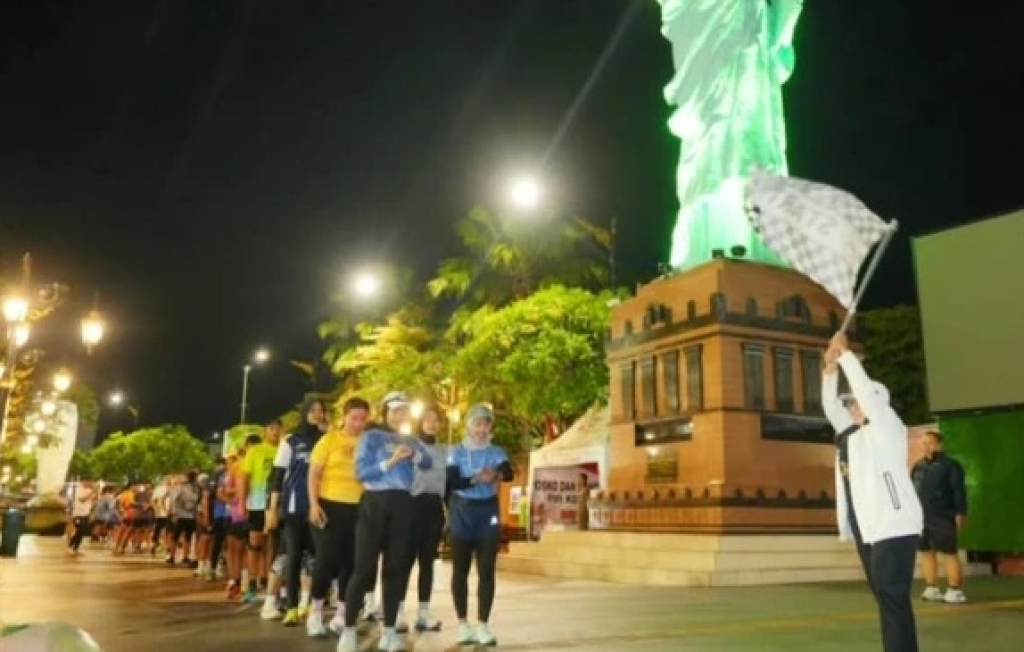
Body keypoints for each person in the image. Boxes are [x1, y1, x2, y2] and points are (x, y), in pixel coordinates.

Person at [823, 332, 923, 652]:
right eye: (850, 404)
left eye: (855, 403)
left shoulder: (889, 427)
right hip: (871, 531)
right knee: (885, 598)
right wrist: (830, 371)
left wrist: (847, 355)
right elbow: (830, 410)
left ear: (874, 402)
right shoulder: (855, 437)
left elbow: (866, 393)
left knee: (891, 598)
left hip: (895, 527)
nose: (852, 408)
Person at [337, 391, 433, 652]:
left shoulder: (410, 440)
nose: (399, 415)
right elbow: (360, 472)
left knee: (396, 568)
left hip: (403, 505)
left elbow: (428, 461)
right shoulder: (371, 437)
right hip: (375, 504)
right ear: (385, 412)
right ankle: (348, 630)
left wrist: (412, 455)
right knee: (364, 568)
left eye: (404, 411)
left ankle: (390, 631)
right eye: (395, 410)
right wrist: (389, 461)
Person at [446, 403, 514, 647]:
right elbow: (453, 481)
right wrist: (476, 478)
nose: (481, 429)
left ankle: (483, 624)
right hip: (462, 512)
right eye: (477, 423)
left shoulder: (496, 452)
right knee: (460, 571)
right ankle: (463, 624)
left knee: (487, 570)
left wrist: (495, 475)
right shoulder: (457, 451)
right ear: (468, 425)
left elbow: (508, 472)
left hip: (487, 512)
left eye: (486, 424)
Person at [305, 397, 370, 638]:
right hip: (328, 507)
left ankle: (343, 614)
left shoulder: (368, 442)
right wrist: (313, 504)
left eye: (363, 419)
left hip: (359, 509)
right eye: (354, 418)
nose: (358, 423)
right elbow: (314, 474)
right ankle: (316, 612)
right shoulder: (329, 440)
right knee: (326, 559)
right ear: (344, 417)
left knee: (351, 563)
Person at [267, 398, 327, 625]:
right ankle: (290, 607)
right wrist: (272, 509)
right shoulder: (291, 441)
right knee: (292, 556)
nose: (317, 414)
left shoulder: (327, 440)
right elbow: (278, 476)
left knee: (320, 558)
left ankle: (311, 603)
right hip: (294, 507)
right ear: (304, 412)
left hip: (320, 506)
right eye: (312, 410)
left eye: (321, 411)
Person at [398, 403, 448, 632]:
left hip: (433, 507)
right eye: (427, 418)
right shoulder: (408, 445)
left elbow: (447, 486)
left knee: (428, 562)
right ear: (420, 421)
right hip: (411, 506)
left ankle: (423, 613)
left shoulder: (444, 450)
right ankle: (397, 611)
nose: (432, 423)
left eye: (436, 419)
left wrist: (448, 512)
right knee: (405, 561)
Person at [911, 430, 968, 603]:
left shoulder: (951, 465)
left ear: (939, 445)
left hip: (943, 515)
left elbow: (959, 490)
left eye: (930, 442)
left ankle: (955, 590)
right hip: (921, 516)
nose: (926, 446)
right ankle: (931, 587)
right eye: (924, 443)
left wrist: (960, 512)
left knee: (949, 552)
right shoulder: (918, 466)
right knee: (926, 551)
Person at [238, 420, 283, 602]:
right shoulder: (255, 450)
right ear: (265, 431)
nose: (275, 432)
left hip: (277, 505)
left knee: (273, 546)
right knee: (255, 545)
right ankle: (250, 585)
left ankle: (267, 583)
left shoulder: (284, 449)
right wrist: (242, 502)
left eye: (278, 428)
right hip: (257, 503)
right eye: (271, 428)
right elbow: (244, 477)